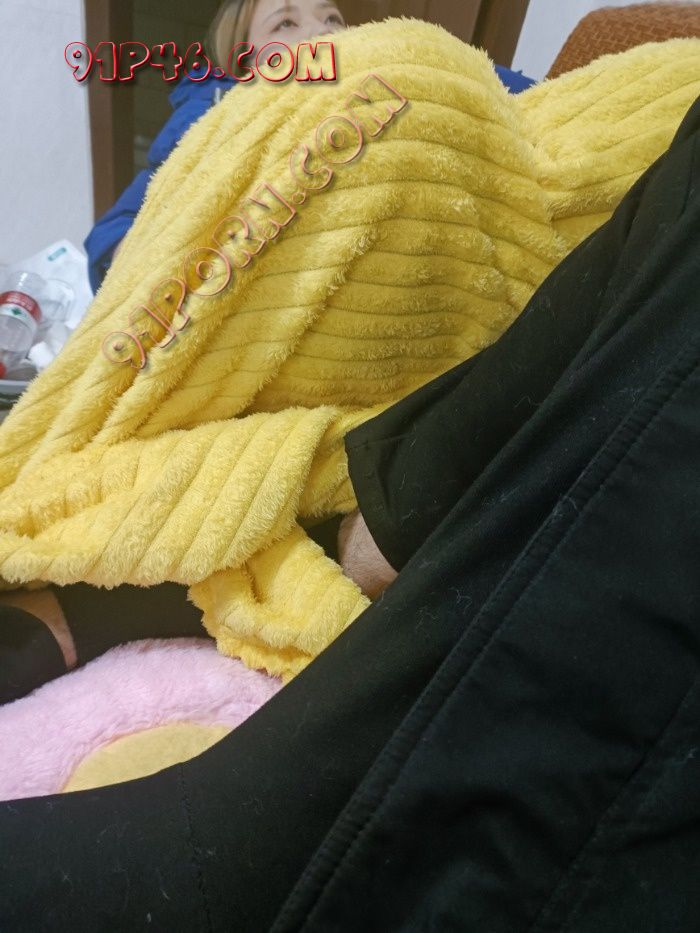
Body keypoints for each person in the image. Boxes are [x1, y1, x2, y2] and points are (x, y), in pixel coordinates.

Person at [0, 90, 699, 931]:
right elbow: (122, 238)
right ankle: (328, 545)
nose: (310, 37)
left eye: (322, 25)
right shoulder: (202, 100)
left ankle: (310, 555)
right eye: (280, 30)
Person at [83, 0, 535, 294]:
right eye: (285, 23)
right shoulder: (212, 115)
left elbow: (489, 81)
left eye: (332, 18)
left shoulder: (389, 76)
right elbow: (115, 234)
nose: (321, 32)